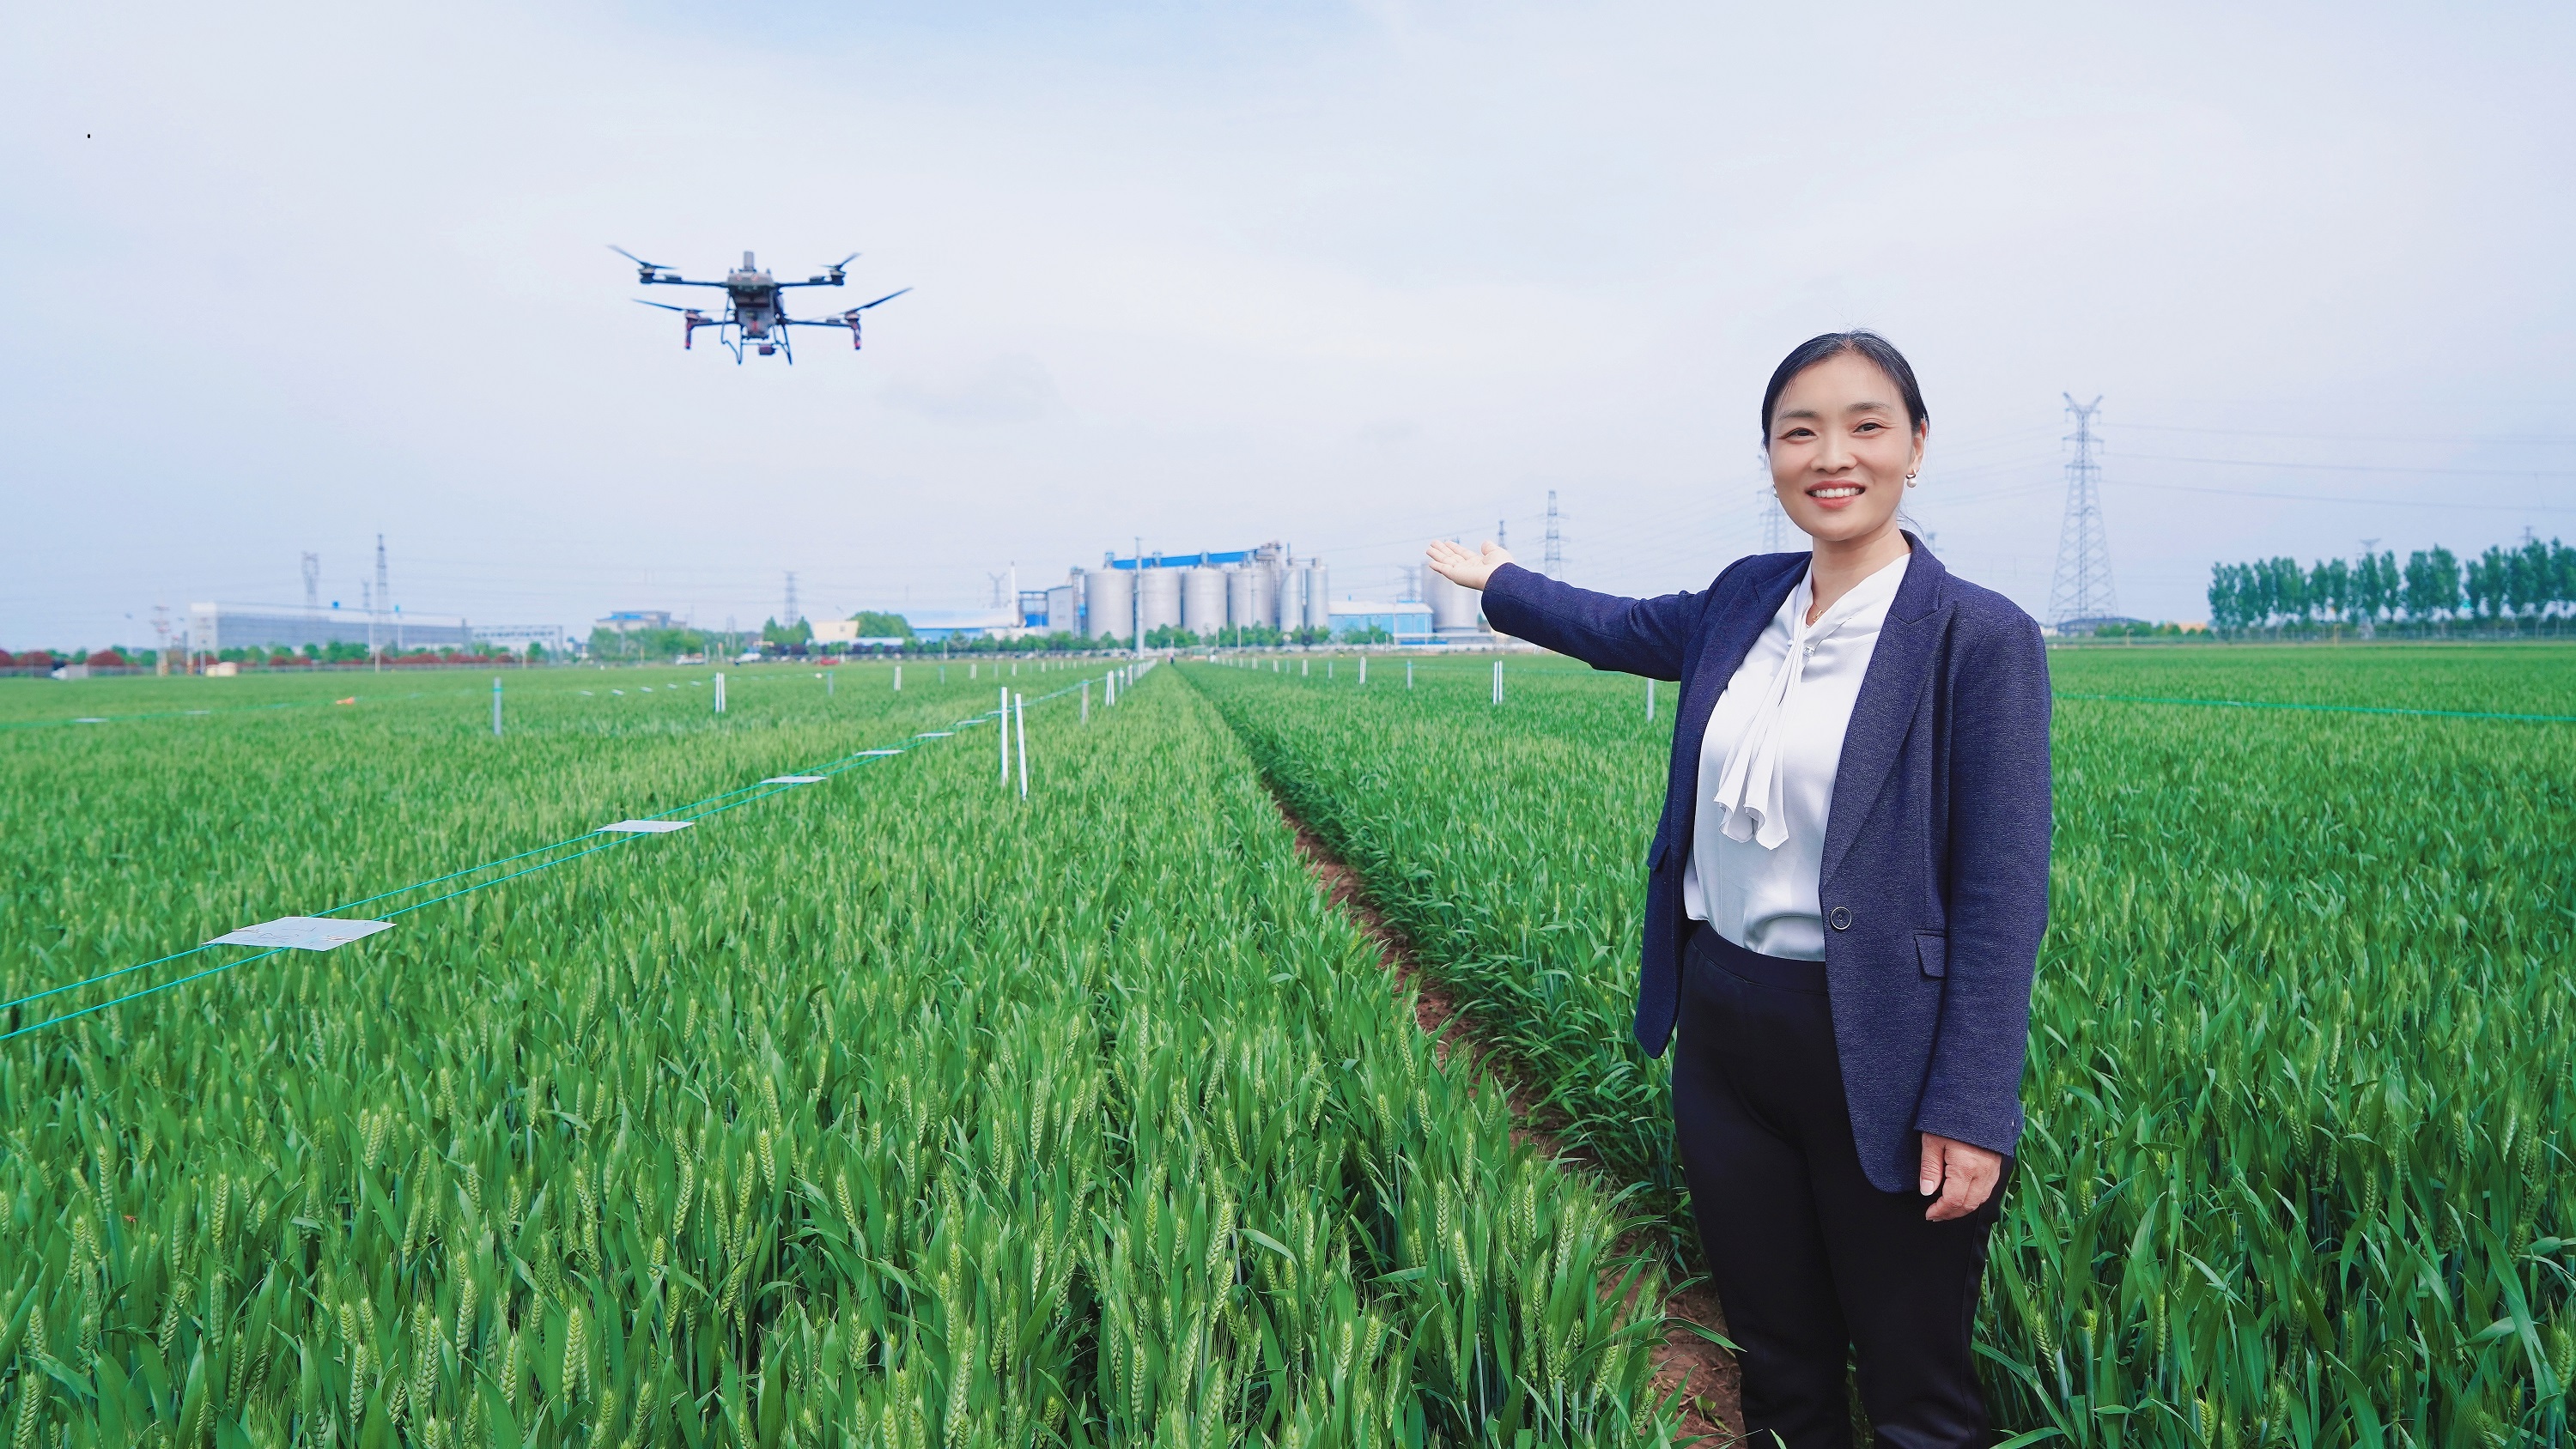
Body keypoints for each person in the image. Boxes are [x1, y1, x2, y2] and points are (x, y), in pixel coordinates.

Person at [1425, 331, 2051, 1448]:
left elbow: (2003, 893)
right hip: (1721, 1026)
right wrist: (1502, 586)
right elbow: (1618, 629)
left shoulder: (1975, 637)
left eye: (1865, 424)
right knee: (1778, 1361)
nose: (1832, 454)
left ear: (1916, 443)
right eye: (1799, 430)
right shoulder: (1745, 600)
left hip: (1879, 1045)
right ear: (1769, 455)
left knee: (1917, 1389)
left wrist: (1971, 1104)